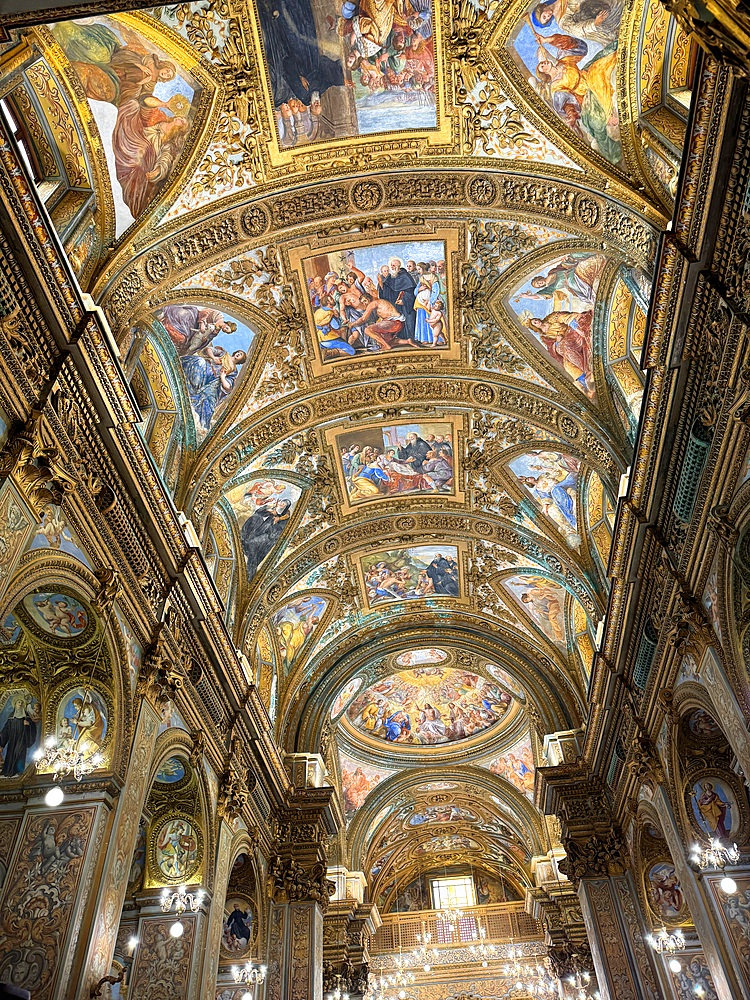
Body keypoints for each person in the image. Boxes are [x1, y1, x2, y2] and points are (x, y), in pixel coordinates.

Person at [241, 498, 292, 582]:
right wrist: (268, 509)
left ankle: (249, 575)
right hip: (259, 531)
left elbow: (275, 535)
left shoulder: (284, 519)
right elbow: (258, 512)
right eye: (281, 503)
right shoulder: (274, 509)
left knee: (252, 546)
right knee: (255, 519)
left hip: (267, 540)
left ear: (285, 508)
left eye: (283, 505)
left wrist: (275, 523)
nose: (281, 505)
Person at [0, 697, 36, 777]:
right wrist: (1, 744)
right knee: (11, 754)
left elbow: (33, 727)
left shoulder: (26, 717)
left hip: (22, 739)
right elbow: (6, 730)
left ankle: (19, 770)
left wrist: (29, 725)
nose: (20, 704)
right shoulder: (11, 718)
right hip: (13, 740)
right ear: (15, 705)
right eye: (18, 702)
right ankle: (7, 770)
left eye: (21, 702)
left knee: (20, 753)